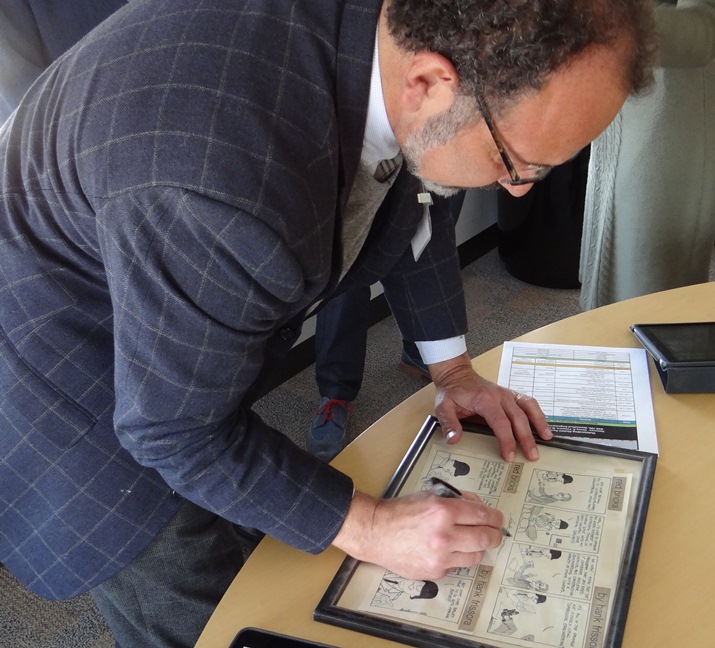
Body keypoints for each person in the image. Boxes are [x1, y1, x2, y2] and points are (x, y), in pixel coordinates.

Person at [0, 0, 656, 646]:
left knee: (260, 529)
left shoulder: (401, 45)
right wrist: (369, 525)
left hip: (162, 282)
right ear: (429, 82)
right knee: (206, 606)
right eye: (516, 164)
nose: (518, 191)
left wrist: (455, 371)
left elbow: (419, 186)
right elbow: (174, 431)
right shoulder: (221, 186)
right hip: (59, 378)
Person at [308, 191, 465, 462]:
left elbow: (429, 234)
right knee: (347, 258)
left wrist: (453, 368)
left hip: (433, 170)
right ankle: (336, 392)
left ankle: (419, 350)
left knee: (428, 231)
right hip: (352, 175)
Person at [580, 0, 715, 309]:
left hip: (670, 124)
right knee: (610, 271)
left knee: (649, 285)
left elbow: (706, 29)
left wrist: (610, 23)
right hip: (618, 112)